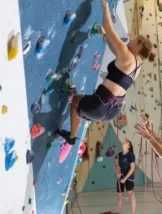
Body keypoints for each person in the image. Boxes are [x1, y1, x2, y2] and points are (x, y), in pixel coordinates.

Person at [57, 0, 156, 145]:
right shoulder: (137, 67)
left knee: (75, 102)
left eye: (134, 40)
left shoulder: (127, 55)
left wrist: (106, 8)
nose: (130, 41)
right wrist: (104, 37)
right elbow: (116, 50)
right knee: (81, 104)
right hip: (112, 111)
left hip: (101, 105)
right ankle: (76, 128)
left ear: (139, 45)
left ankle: (72, 137)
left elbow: (110, 31)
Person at [112, 139, 137, 214]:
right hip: (120, 178)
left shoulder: (130, 155)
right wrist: (117, 172)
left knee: (131, 195)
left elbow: (132, 168)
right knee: (120, 196)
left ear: (129, 146)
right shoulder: (118, 155)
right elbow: (116, 167)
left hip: (128, 178)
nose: (124, 142)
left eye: (126, 142)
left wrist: (125, 178)